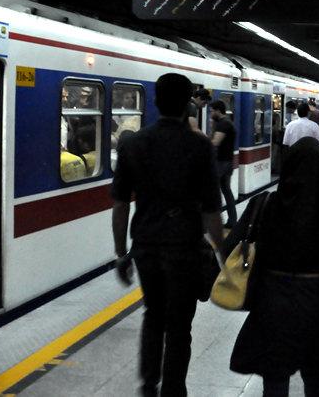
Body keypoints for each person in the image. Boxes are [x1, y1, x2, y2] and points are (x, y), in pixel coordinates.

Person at [111, 73, 223, 397]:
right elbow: (211, 210)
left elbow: (120, 206)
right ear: (188, 103)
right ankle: (174, 390)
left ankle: (148, 384)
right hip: (185, 247)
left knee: (153, 315)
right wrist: (220, 251)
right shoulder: (200, 145)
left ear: (156, 102)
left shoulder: (133, 143)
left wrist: (121, 254)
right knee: (179, 326)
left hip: (145, 245)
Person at [230, 137, 319, 397]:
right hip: (315, 306)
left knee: (275, 376)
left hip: (271, 302)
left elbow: (229, 247)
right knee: (314, 374)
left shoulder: (264, 205)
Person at [210, 100, 238, 228]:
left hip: (221, 163)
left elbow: (215, 142)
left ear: (217, 111)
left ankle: (215, 221)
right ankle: (232, 220)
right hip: (227, 162)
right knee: (226, 190)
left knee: (214, 191)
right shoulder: (226, 123)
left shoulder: (223, 124)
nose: (210, 113)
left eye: (211, 111)